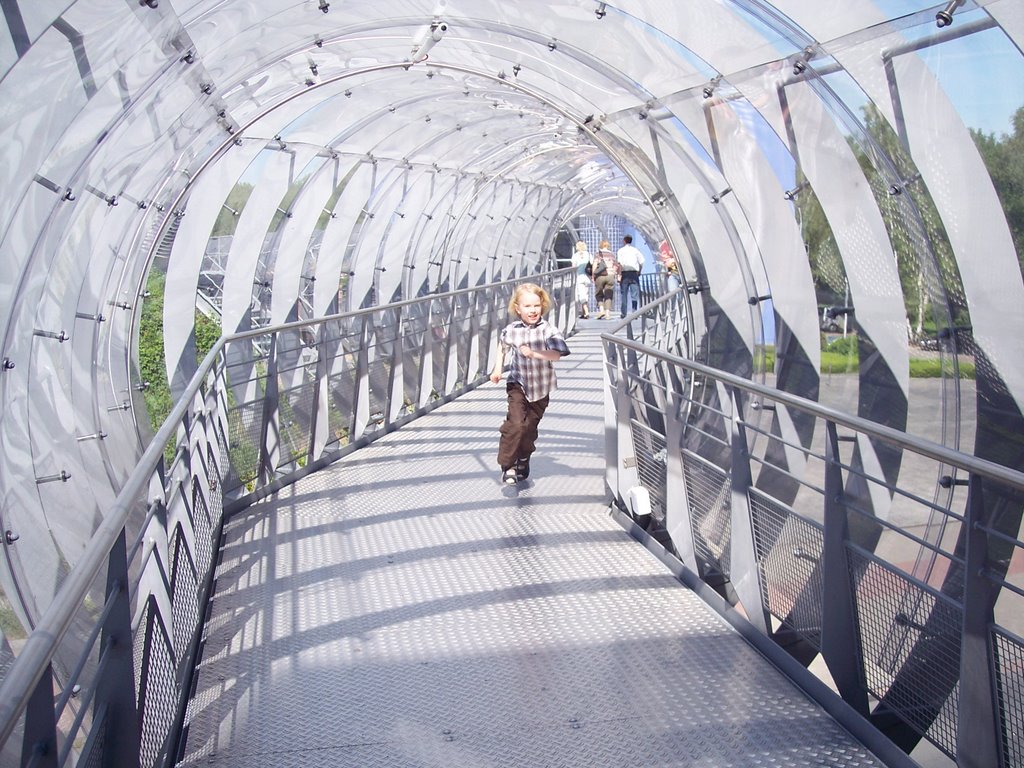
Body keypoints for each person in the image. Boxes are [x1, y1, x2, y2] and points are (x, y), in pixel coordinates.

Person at [489, 283, 571, 484]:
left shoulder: (548, 330)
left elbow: (557, 354)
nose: (533, 310)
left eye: (536, 305)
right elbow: (503, 347)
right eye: (527, 306)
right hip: (518, 383)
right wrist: (497, 369)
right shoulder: (512, 330)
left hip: (541, 387)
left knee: (529, 429)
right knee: (516, 423)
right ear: (518, 308)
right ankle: (507, 464)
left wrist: (535, 353)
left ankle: (523, 458)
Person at [617, 234, 644, 318]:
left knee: (624, 294)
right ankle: (634, 312)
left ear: (624, 241)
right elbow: (642, 261)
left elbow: (619, 264)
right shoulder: (635, 250)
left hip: (625, 274)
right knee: (634, 294)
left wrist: (619, 275)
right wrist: (639, 271)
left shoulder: (620, 251)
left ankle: (623, 313)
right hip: (634, 274)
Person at [592, 240, 617, 319]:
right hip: (610, 276)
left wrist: (593, 276)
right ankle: (608, 314)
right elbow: (616, 266)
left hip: (600, 276)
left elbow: (595, 265)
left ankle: (601, 310)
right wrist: (614, 274)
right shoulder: (612, 255)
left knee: (599, 294)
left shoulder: (598, 254)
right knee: (608, 294)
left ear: (601, 245)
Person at [571, 240, 591, 318]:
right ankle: (583, 312)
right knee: (585, 293)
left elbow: (573, 267)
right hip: (587, 277)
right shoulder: (589, 254)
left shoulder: (575, 255)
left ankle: (586, 312)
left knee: (582, 295)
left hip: (579, 277)